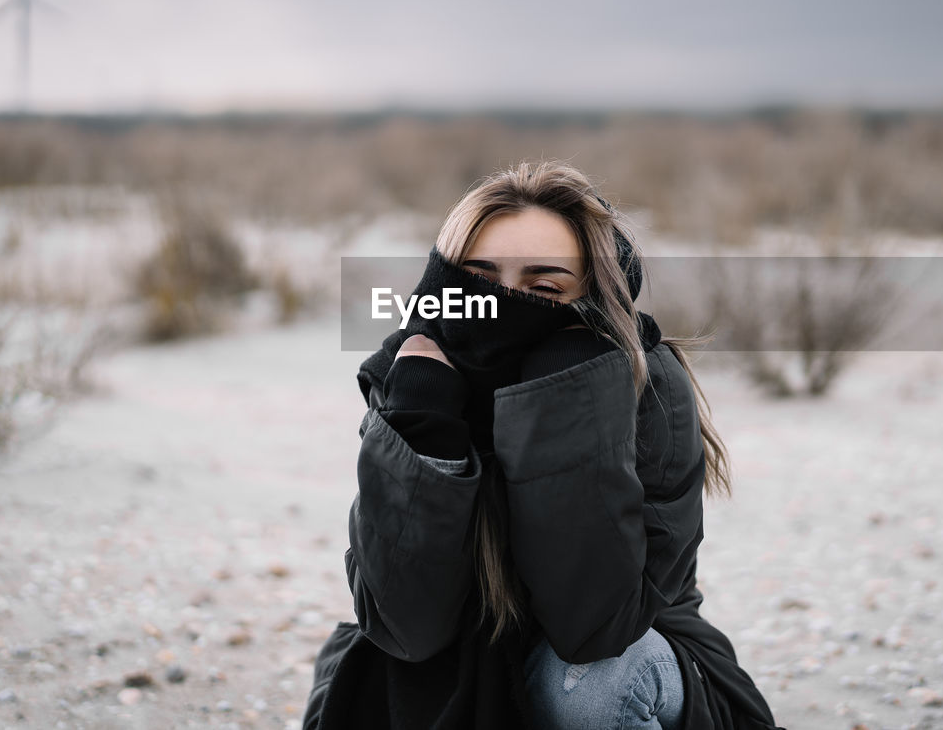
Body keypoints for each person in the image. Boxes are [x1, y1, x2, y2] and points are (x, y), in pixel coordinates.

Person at [303, 160, 783, 730]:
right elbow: (407, 626)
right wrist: (425, 426)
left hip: (627, 660)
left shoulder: (645, 383)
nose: (503, 303)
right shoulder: (413, 375)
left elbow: (595, 628)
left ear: (593, 298)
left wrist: (564, 399)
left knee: (588, 687)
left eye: (545, 287)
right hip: (453, 661)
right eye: (478, 278)